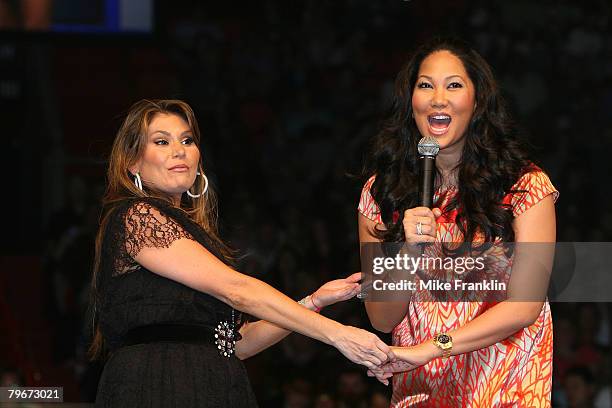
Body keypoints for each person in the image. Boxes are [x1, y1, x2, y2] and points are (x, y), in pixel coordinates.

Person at [89, 99, 394, 407]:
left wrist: (314, 301)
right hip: (158, 385)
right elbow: (237, 290)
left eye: (187, 140)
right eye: (161, 141)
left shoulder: (195, 236)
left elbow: (237, 344)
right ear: (133, 162)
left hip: (213, 384)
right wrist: (338, 334)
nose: (179, 150)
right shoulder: (137, 216)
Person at [358, 38, 558, 406]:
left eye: (453, 85)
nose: (438, 98)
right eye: (425, 85)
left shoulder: (525, 187)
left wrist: (434, 348)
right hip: (423, 393)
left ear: (477, 102)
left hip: (506, 391)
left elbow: (525, 306)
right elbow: (381, 319)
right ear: (411, 102)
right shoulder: (380, 193)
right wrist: (408, 252)